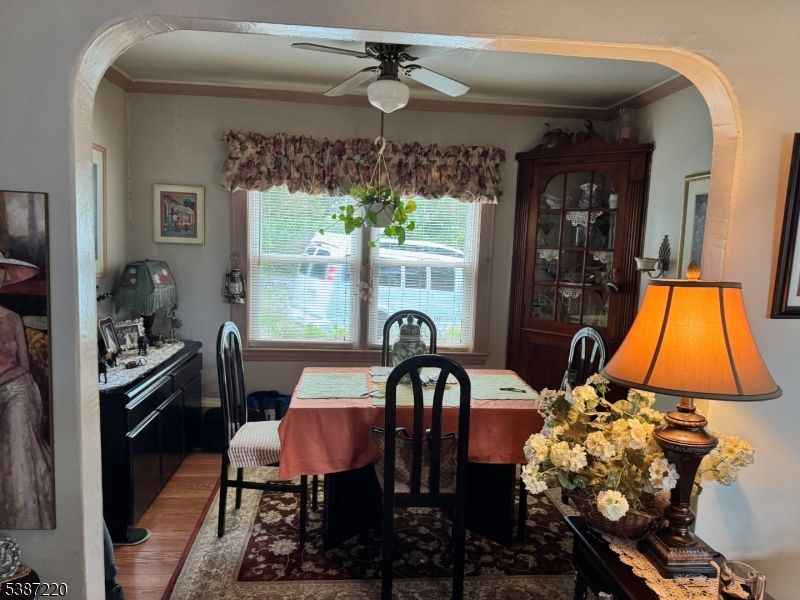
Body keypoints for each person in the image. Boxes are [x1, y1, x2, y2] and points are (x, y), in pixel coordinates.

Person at [0, 252, 54, 529]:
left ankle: (23, 512)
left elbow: (23, 365)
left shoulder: (11, 318)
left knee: (16, 425)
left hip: (16, 387)